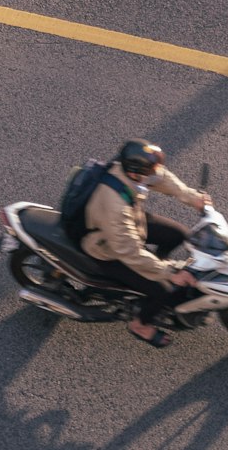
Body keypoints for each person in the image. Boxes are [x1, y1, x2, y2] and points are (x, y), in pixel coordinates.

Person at [81, 139, 211, 348]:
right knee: (166, 290)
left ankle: (156, 265)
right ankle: (140, 324)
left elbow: (162, 177)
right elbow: (128, 251)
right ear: (135, 173)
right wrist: (169, 273)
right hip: (109, 249)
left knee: (179, 234)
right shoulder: (114, 204)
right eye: (152, 169)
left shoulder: (130, 171)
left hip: (131, 223)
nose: (156, 171)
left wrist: (192, 197)